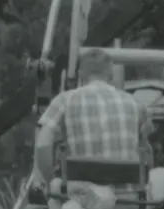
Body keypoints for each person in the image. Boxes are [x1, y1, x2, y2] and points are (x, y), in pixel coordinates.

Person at [33, 47, 143, 183]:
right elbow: (145, 150)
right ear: (110, 73)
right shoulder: (135, 103)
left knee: (57, 190)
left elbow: (42, 144)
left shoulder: (65, 100)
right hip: (128, 199)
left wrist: (50, 183)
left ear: (80, 74)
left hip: (81, 198)